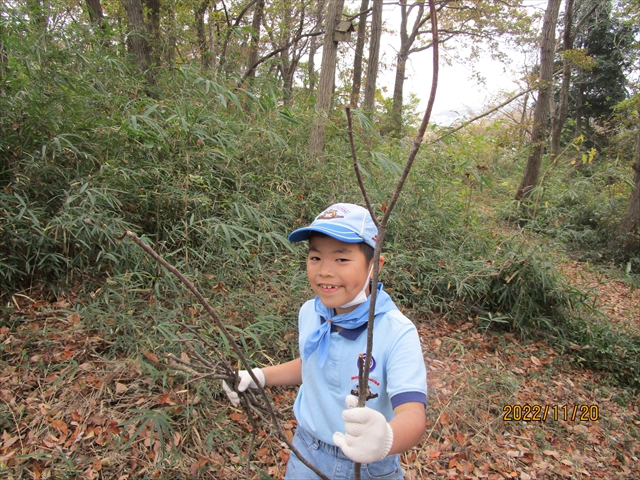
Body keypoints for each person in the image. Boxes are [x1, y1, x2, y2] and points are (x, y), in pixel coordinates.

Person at [223, 203, 427, 480]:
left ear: (374, 265)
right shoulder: (311, 312)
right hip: (307, 450)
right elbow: (313, 364)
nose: (324, 272)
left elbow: (413, 415)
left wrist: (385, 439)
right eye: (315, 258)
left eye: (341, 259)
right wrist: (259, 375)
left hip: (368, 465)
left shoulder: (396, 332)